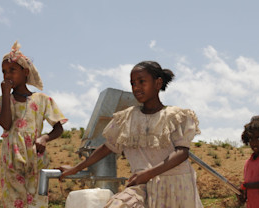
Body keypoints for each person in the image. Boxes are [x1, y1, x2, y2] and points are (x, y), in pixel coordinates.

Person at [60, 61, 203, 207]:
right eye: (133, 83)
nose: (136, 88)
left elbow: (182, 153)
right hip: (141, 184)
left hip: (175, 186)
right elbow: (106, 147)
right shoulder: (126, 118)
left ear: (158, 83)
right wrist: (75, 168)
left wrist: (148, 173)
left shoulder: (176, 116)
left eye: (142, 81)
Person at [0, 41, 67, 208]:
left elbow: (59, 128)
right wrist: (6, 95)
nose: (7, 75)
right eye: (4, 72)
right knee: (14, 202)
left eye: (12, 70)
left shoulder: (42, 100)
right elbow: (6, 124)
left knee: (38, 201)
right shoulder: (1, 101)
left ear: (26, 72)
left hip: (36, 159)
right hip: (11, 160)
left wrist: (44, 138)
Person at [238, 116, 259, 207]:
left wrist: (246, 186)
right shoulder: (248, 163)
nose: (254, 143)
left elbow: (247, 185)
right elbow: (247, 192)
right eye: (251, 139)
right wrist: (243, 195)